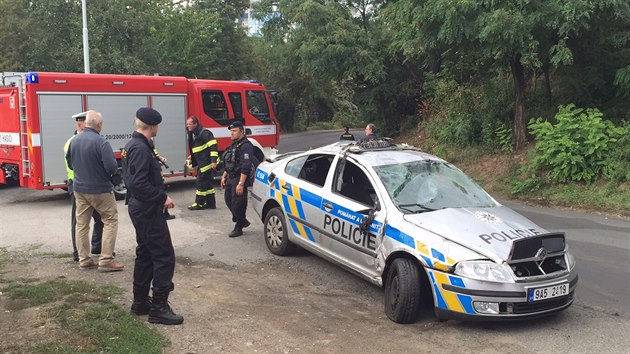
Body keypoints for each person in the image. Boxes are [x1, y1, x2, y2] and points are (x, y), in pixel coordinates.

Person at [122, 107, 183, 325]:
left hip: (140, 207)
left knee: (146, 254)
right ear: (153, 126)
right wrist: (161, 198)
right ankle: (158, 308)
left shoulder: (135, 144)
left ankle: (140, 303)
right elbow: (137, 183)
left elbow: (135, 176)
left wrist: (154, 166)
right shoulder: (139, 148)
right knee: (164, 256)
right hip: (147, 208)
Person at [66, 111, 123, 272]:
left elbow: (70, 164)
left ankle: (84, 260)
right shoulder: (101, 142)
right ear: (99, 125)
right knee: (110, 221)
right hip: (100, 190)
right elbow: (112, 167)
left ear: (85, 124)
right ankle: (105, 260)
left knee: (82, 225)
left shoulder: (74, 141)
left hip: (79, 189)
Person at [64, 111, 104, 262]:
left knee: (100, 218)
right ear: (80, 124)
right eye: (84, 124)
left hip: (87, 184)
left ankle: (97, 246)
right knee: (79, 222)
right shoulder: (73, 141)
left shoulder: (80, 139)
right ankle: (78, 253)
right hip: (77, 184)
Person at [220, 121, 254, 237]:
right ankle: (242, 220)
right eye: (231, 131)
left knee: (238, 203)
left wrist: (241, 183)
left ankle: (239, 227)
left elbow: (246, 166)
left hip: (239, 178)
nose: (232, 133)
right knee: (228, 200)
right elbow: (230, 162)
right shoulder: (234, 144)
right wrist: (224, 175)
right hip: (231, 177)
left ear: (242, 131)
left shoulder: (246, 146)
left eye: (234, 131)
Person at [186, 116, 218, 210]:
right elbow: (200, 148)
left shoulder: (204, 133)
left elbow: (213, 145)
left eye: (189, 124)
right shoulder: (196, 133)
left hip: (206, 163)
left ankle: (199, 203)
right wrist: (192, 157)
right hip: (202, 162)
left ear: (195, 124)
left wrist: (213, 161)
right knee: (207, 183)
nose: (188, 126)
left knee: (200, 182)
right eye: (187, 124)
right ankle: (211, 204)